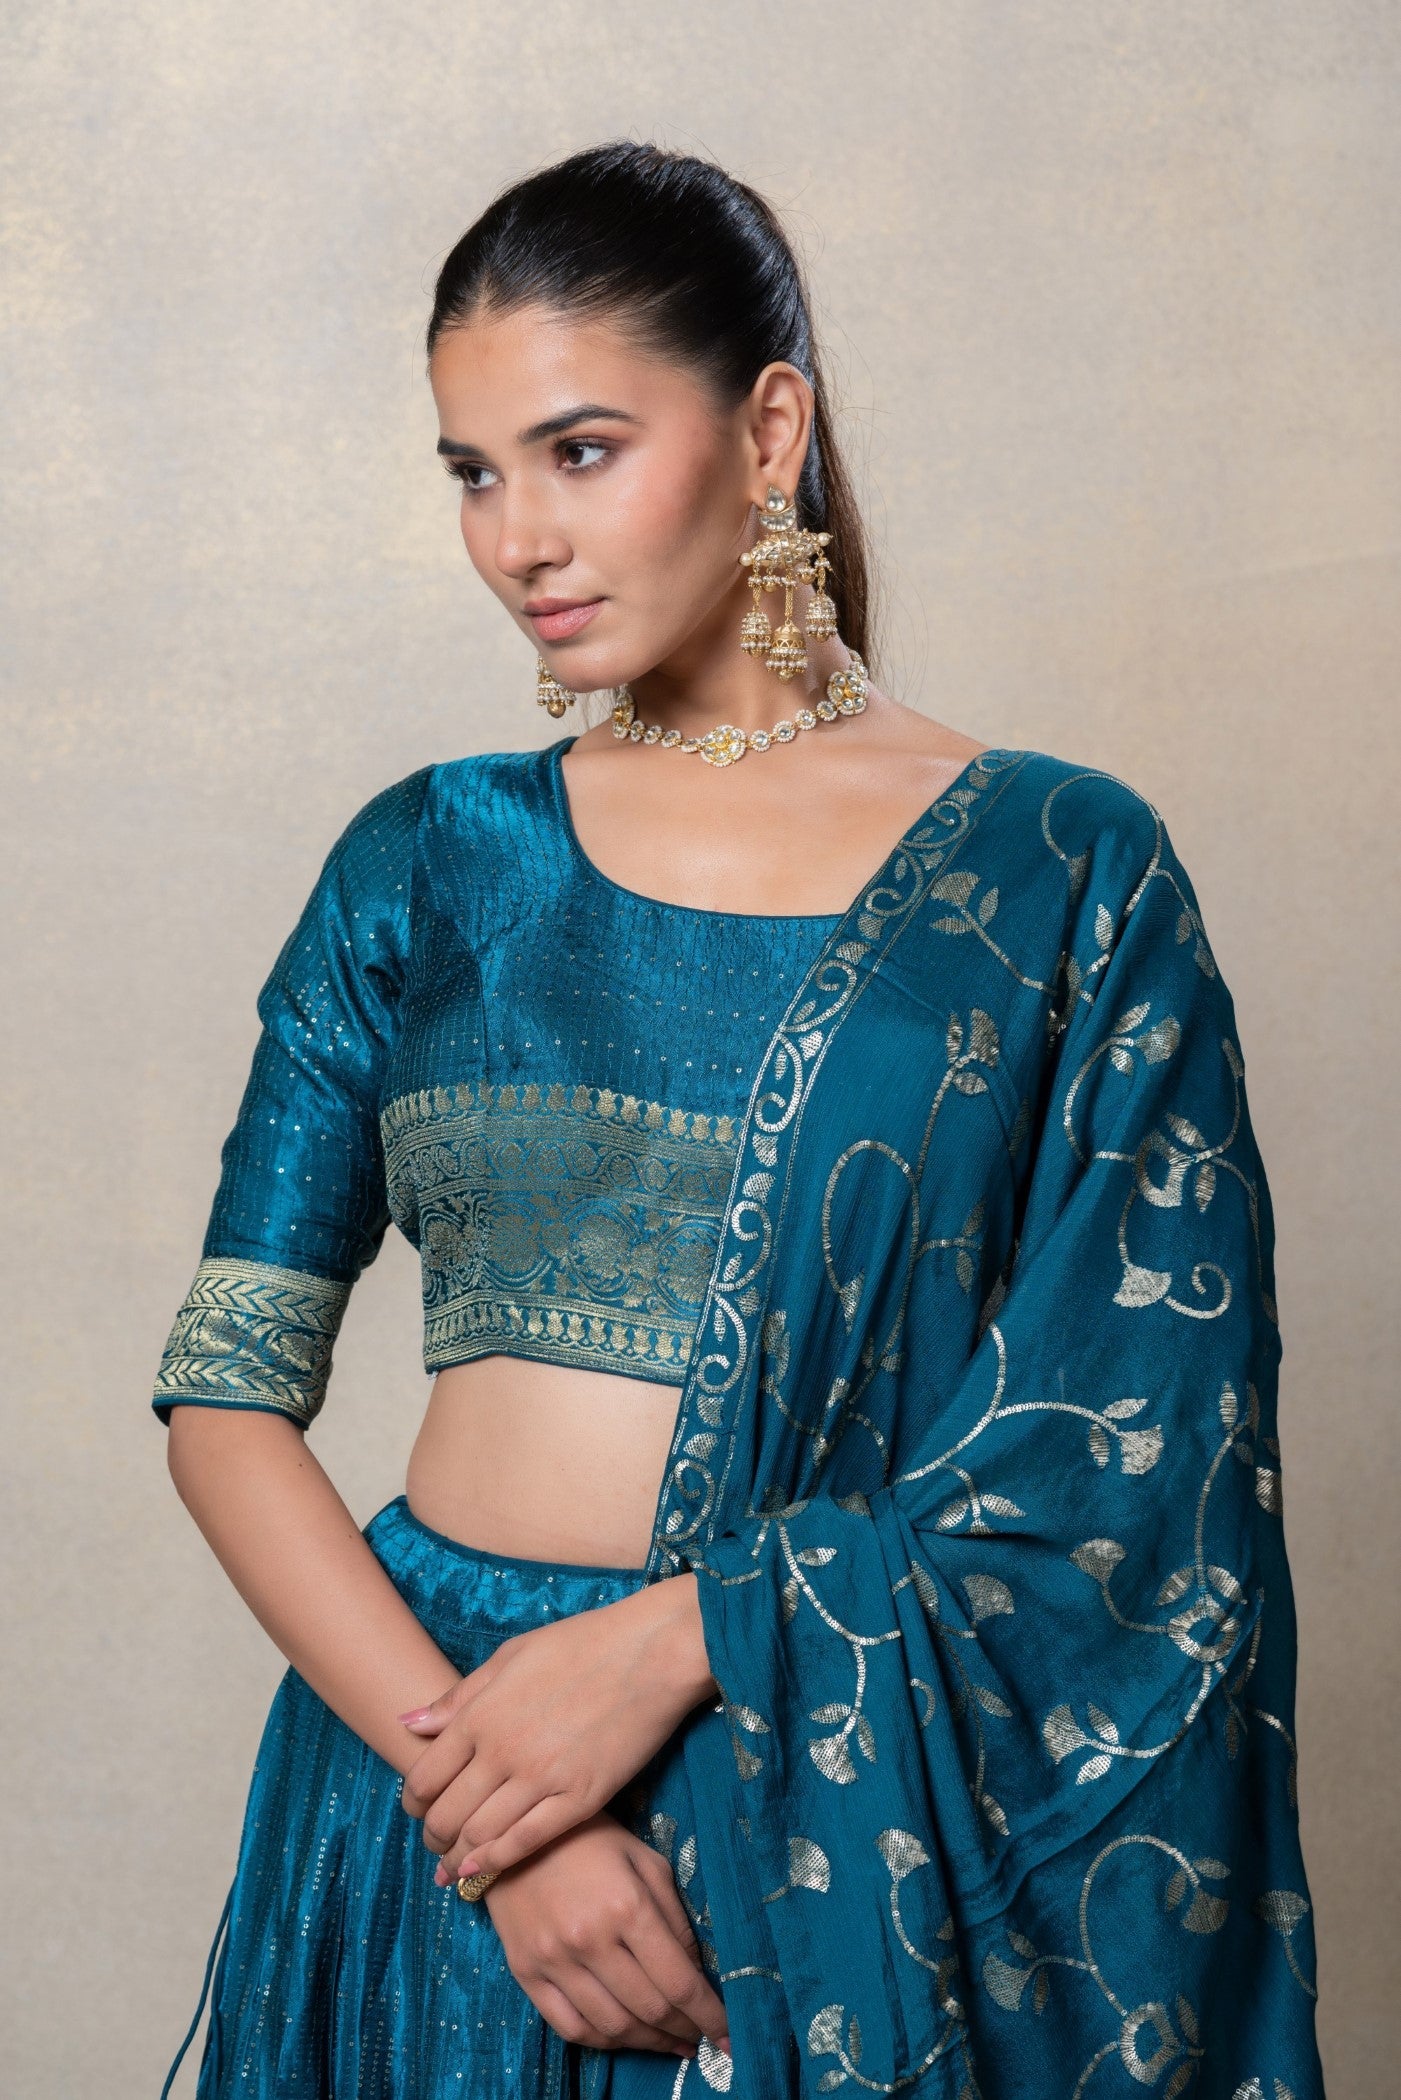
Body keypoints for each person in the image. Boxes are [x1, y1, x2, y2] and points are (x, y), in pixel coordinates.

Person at [153, 141, 1324, 2100]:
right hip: (425, 1781)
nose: (519, 538)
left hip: (828, 1818)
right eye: (473, 472)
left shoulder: (1056, 872)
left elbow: (1139, 1470)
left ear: (766, 431)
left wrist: (690, 1639)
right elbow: (221, 1400)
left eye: (579, 451)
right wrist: (493, 1813)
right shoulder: (429, 863)